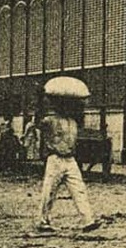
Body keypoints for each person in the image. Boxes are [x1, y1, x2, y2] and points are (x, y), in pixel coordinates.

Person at [35, 96, 99, 232]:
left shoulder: (73, 122)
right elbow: (39, 123)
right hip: (55, 159)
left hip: (70, 160)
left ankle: (88, 220)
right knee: (49, 191)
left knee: (79, 189)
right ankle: (42, 220)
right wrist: (40, 103)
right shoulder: (50, 120)